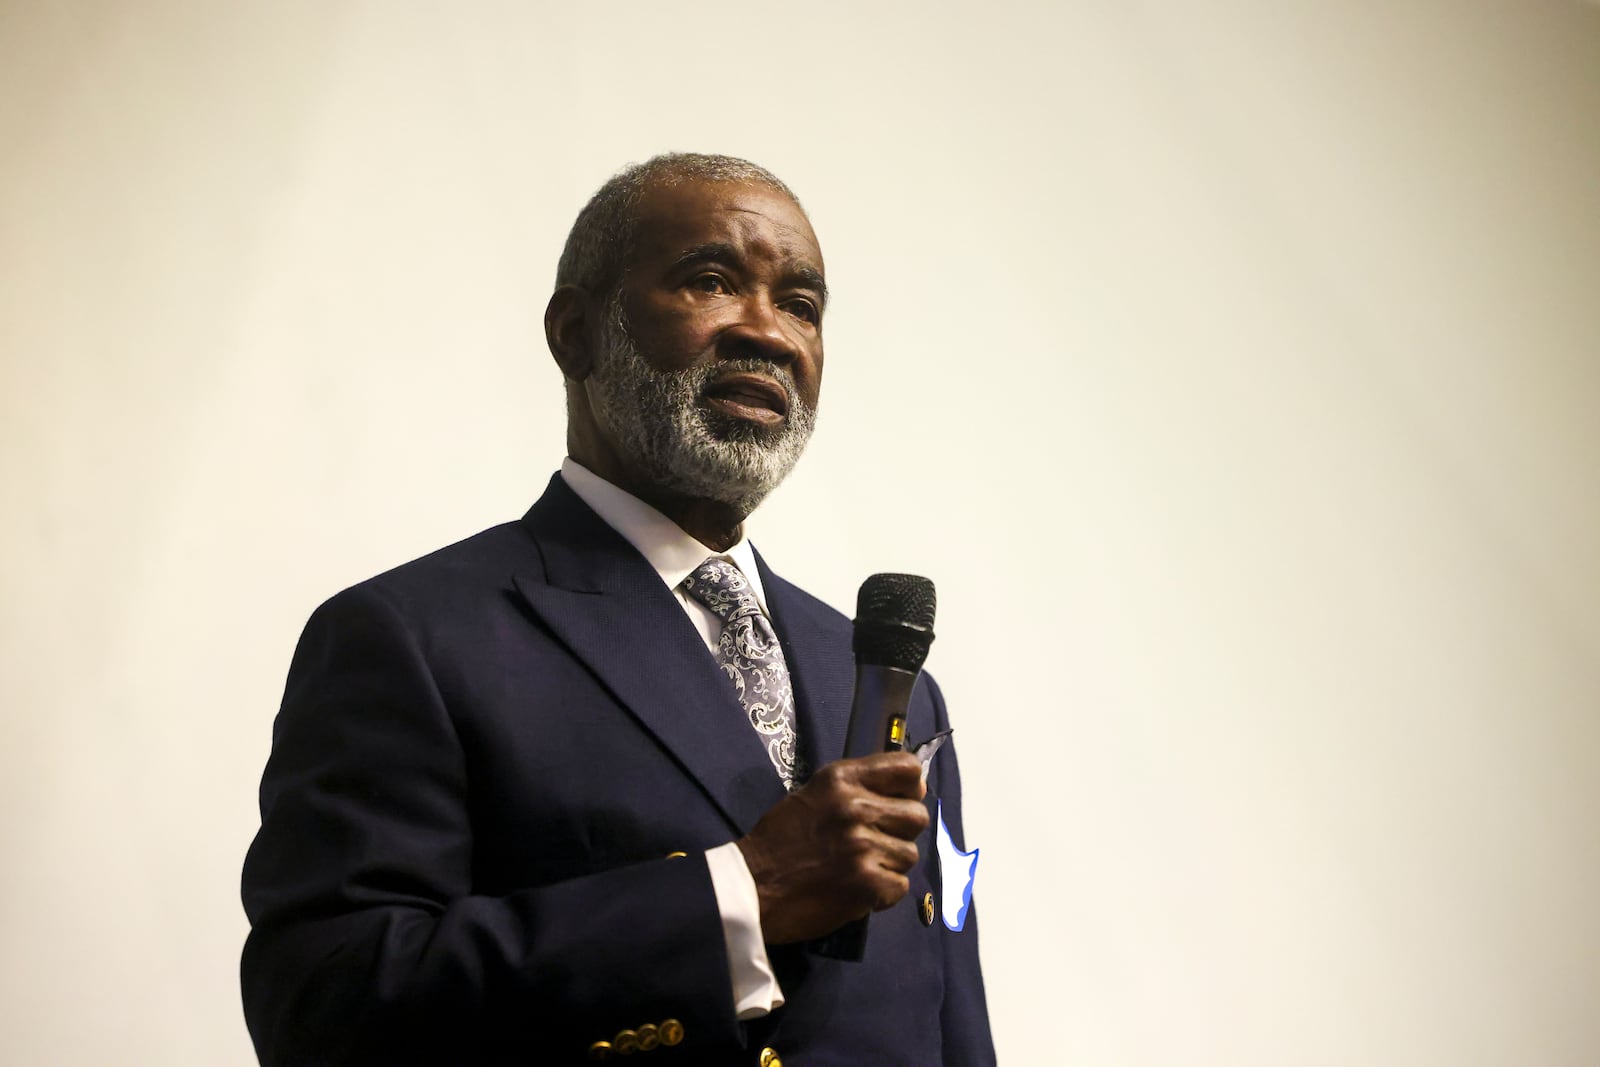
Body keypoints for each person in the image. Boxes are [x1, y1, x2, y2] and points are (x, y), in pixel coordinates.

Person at [240, 153, 994, 1066]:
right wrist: (738, 895)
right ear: (575, 332)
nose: (770, 332)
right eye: (712, 281)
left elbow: (950, 1026)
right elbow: (325, 1010)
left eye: (802, 304)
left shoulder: (881, 676)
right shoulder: (410, 639)